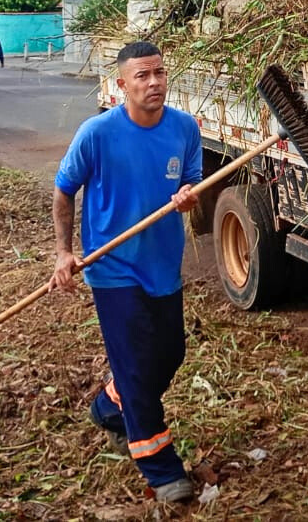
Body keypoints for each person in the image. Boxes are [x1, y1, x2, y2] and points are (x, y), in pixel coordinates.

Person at [48, 40, 201, 503]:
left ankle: (108, 406)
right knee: (135, 364)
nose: (154, 83)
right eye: (142, 76)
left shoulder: (184, 127)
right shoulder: (96, 134)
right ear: (122, 84)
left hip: (162, 264)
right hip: (111, 268)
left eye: (159, 73)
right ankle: (161, 468)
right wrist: (63, 252)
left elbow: (191, 180)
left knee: (170, 353)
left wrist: (189, 196)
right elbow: (63, 192)